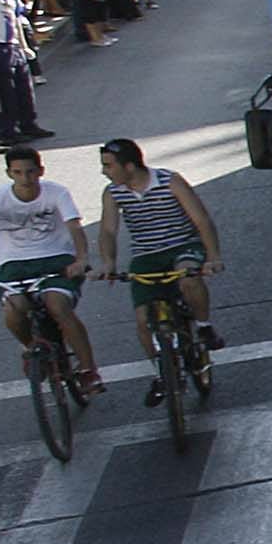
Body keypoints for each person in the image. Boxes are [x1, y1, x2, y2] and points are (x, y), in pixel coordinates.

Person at [0, 143, 104, 394]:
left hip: (57, 259)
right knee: (14, 311)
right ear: (9, 173)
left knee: (58, 305)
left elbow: (74, 227)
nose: (26, 178)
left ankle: (89, 371)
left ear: (41, 171)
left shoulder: (56, 193)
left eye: (31, 172)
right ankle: (32, 347)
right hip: (14, 265)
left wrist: (81, 259)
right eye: (18, 173)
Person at [90, 137, 223, 394]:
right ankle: (161, 371)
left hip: (183, 246)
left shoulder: (169, 181)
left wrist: (213, 257)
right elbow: (107, 230)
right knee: (142, 320)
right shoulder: (113, 192)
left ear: (129, 167)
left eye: (108, 166)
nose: (104, 172)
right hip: (146, 255)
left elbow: (201, 220)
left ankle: (204, 328)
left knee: (189, 279)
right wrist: (108, 262)